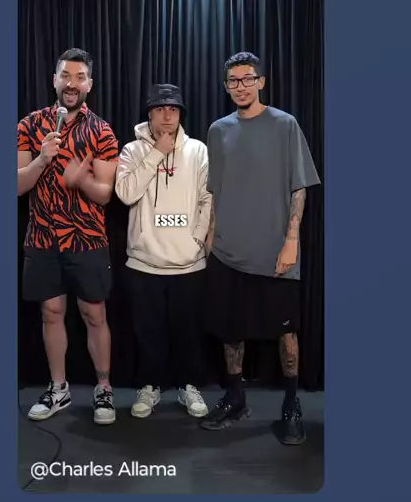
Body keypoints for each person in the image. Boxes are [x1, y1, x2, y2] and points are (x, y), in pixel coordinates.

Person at [201, 52, 321, 443]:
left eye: (247, 79)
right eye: (233, 81)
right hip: (227, 251)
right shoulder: (218, 130)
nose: (241, 87)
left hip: (274, 252)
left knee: (287, 334)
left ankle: (291, 404)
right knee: (230, 332)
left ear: (261, 81)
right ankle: (236, 399)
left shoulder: (285, 124)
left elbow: (299, 186)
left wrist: (292, 241)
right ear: (226, 86)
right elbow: (215, 191)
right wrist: (209, 239)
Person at [18, 48, 118, 425]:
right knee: (51, 312)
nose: (71, 83)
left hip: (87, 239)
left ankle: (103, 388)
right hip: (43, 238)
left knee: (94, 313)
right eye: (65, 76)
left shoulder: (102, 131)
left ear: (89, 84)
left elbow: (105, 194)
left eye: (79, 77)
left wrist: (82, 181)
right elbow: (16, 185)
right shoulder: (30, 125)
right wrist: (43, 159)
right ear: (54, 80)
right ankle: (58, 388)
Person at [115, 84, 211, 419]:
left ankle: (189, 386)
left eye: (173, 109)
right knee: (147, 332)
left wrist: (196, 240)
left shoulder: (198, 150)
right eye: (160, 109)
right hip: (145, 261)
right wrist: (156, 152)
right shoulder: (131, 150)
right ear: (149, 113)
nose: (167, 116)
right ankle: (149, 386)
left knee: (188, 332)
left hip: (188, 263)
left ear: (181, 113)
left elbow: (207, 198)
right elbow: (126, 193)